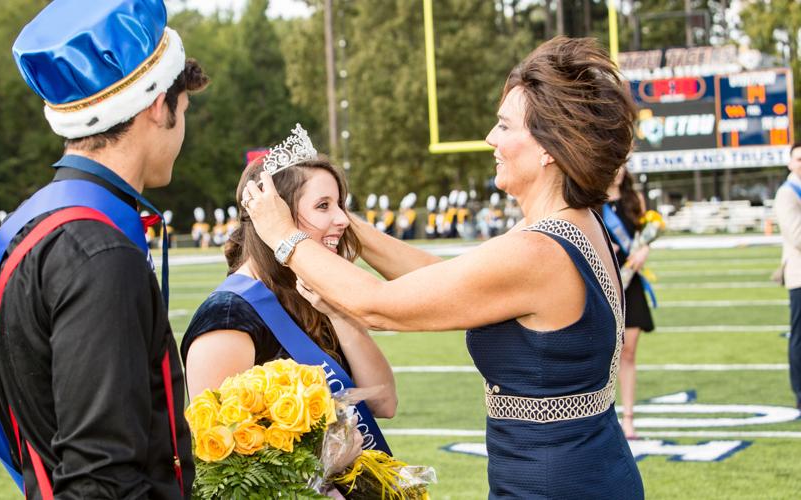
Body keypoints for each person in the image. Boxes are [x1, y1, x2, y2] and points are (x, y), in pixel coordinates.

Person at [243, 37, 643, 498]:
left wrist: (285, 237)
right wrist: (338, 218)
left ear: (549, 146)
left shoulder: (538, 252)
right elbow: (447, 276)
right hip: (587, 467)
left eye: (504, 125)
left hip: (556, 482)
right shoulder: (572, 224)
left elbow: (378, 306)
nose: (490, 138)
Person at [0, 0, 208, 497]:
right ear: (156, 106)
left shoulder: (31, 222)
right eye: (183, 110)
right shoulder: (99, 253)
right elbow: (100, 478)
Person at [181, 125, 397, 456]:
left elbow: (383, 401)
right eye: (323, 206)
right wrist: (324, 464)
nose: (342, 219)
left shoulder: (311, 294)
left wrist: (338, 314)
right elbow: (222, 462)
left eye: (340, 204)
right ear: (273, 214)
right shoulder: (226, 317)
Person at [603, 166, 655, 438]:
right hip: (604, 283)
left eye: (623, 164)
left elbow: (645, 234)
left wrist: (645, 249)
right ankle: (604, 416)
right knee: (605, 353)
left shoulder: (635, 200)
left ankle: (629, 417)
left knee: (629, 352)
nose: (619, 170)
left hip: (631, 282)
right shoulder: (592, 202)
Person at [774, 142, 801, 410]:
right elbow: (796, 235)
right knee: (799, 337)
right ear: (790, 163)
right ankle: (800, 393)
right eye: (799, 159)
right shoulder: (787, 193)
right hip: (799, 275)